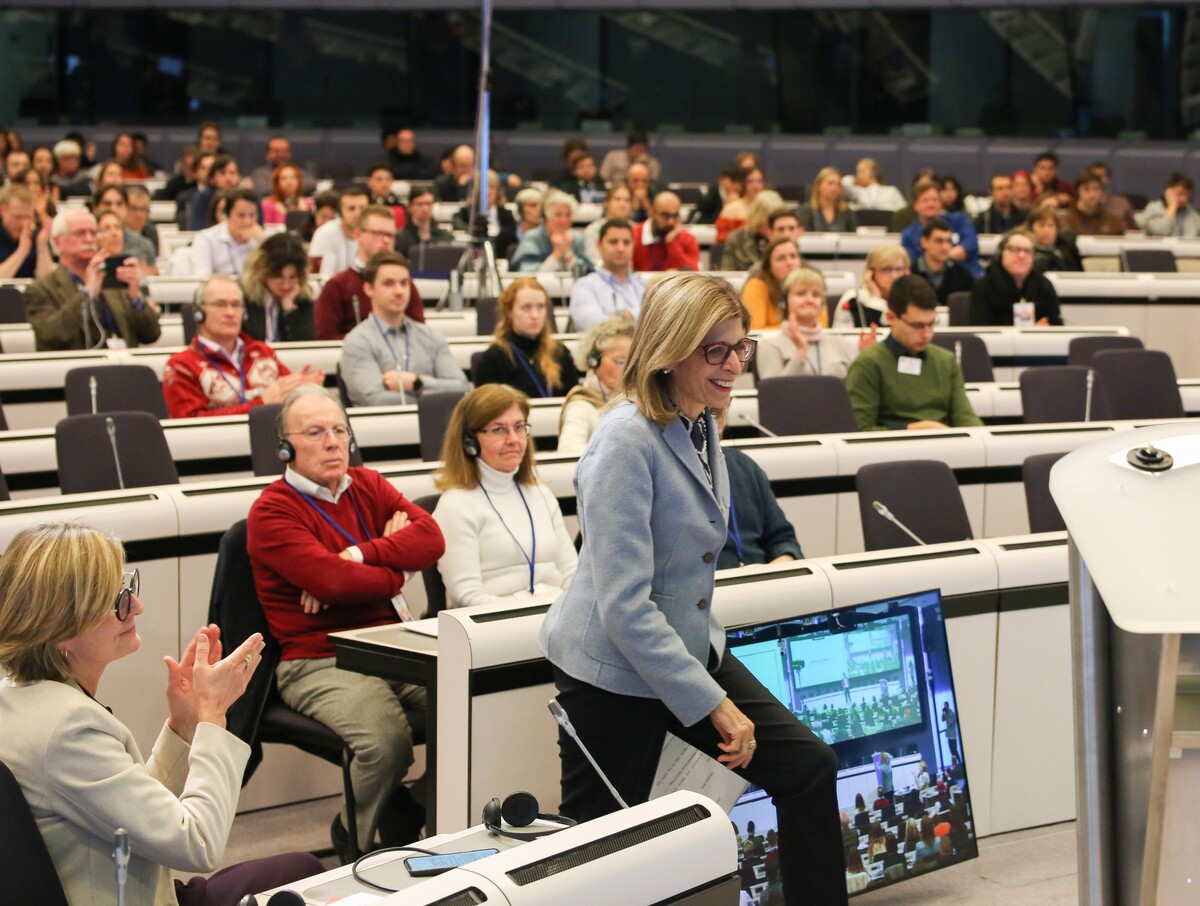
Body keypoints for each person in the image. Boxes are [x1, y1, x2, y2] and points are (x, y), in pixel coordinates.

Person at [539, 273, 847, 906]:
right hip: (611, 676)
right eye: (717, 351)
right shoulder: (623, 442)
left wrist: (708, 689)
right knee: (599, 857)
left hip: (686, 647)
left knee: (808, 769)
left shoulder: (702, 417)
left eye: (741, 347)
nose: (734, 364)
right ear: (670, 348)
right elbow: (623, 605)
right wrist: (713, 703)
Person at [0, 523, 324, 906]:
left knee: (300, 868)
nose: (135, 606)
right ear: (62, 628)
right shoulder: (69, 729)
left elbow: (126, 806)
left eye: (128, 588)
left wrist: (185, 723)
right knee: (306, 880)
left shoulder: (21, 699)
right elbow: (196, 843)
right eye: (118, 600)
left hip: (126, 879)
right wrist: (212, 717)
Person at [248, 386, 443, 858]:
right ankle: (352, 836)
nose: (334, 442)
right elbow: (334, 584)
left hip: (392, 642)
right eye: (316, 432)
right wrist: (395, 570)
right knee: (386, 741)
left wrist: (358, 555)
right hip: (318, 659)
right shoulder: (272, 512)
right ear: (285, 448)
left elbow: (432, 538)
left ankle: (411, 808)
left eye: (339, 430)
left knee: (473, 699)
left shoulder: (368, 485)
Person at [433, 385, 578, 609]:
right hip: (493, 629)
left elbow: (572, 574)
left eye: (519, 427)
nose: (513, 439)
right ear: (469, 441)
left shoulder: (540, 494)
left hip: (555, 619)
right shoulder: (455, 505)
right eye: (499, 429)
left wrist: (565, 613)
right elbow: (466, 595)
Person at [162, 275, 322, 418]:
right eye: (220, 305)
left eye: (236, 305)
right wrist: (262, 403)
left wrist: (304, 391)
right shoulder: (181, 365)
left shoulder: (262, 352)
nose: (230, 313)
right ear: (199, 312)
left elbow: (288, 402)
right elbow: (192, 426)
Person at [845, 275, 983, 431]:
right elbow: (860, 430)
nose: (927, 334)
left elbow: (967, 419)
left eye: (931, 324)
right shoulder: (868, 363)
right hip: (892, 453)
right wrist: (909, 430)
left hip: (945, 448)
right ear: (891, 318)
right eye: (917, 326)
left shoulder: (946, 360)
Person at [339, 251, 469, 406]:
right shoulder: (358, 341)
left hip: (434, 425)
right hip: (382, 428)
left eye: (404, 283)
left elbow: (461, 388)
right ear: (369, 289)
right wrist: (434, 397)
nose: (399, 291)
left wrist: (417, 383)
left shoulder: (431, 336)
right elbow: (374, 400)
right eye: (388, 283)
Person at [24, 209, 161, 351]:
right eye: (80, 233)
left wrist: (135, 298)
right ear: (58, 242)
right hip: (76, 368)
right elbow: (50, 336)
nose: (89, 239)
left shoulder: (115, 281)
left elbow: (152, 335)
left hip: (122, 366)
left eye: (93, 233)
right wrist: (87, 293)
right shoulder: (40, 289)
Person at [316, 204, 426, 339]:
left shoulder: (403, 283)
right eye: (378, 234)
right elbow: (326, 338)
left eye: (390, 235)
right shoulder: (337, 285)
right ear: (358, 235)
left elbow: (420, 334)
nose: (386, 240)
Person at [716, 410, 803, 569]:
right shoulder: (665, 476)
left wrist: (777, 569)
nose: (718, 421)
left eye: (719, 412)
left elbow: (782, 539)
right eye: (708, 411)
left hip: (762, 585)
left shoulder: (744, 466)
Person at [474, 277, 580, 398]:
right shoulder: (492, 360)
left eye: (540, 307)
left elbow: (575, 401)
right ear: (509, 312)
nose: (535, 315)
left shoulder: (560, 353)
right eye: (526, 308)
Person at [758, 268, 861, 379]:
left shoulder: (840, 343)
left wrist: (864, 357)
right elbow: (773, 393)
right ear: (784, 302)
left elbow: (855, 388)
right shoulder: (771, 346)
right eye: (801, 294)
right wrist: (800, 354)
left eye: (816, 295)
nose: (810, 300)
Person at [558, 317, 635, 455]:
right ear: (594, 361)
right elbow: (568, 451)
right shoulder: (581, 405)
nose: (628, 369)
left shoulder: (641, 401)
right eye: (620, 361)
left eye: (633, 362)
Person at [970, 228, 1063, 326]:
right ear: (1002, 253)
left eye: (1027, 251)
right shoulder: (984, 286)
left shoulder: (1044, 286)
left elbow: (1057, 326)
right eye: (1015, 250)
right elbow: (981, 330)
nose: (1022, 255)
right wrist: (1030, 332)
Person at [569, 218, 646, 330]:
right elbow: (593, 325)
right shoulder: (584, 286)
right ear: (599, 245)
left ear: (633, 245)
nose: (620, 248)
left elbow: (660, 321)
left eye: (626, 242)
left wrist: (623, 317)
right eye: (613, 242)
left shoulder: (644, 285)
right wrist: (636, 316)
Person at [239, 232, 316, 343]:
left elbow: (307, 344)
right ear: (262, 272)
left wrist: (289, 309)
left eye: (292, 277)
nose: (286, 285)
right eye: (278, 277)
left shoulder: (303, 299)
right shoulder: (244, 297)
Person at [900, 178, 981, 278]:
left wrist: (942, 255)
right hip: (927, 280)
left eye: (935, 200)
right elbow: (913, 261)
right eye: (925, 200)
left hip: (968, 277)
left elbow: (971, 244)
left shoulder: (959, 220)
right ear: (915, 206)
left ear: (941, 203)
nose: (931, 204)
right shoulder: (909, 234)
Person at [509, 190, 592, 274]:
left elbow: (589, 274)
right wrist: (556, 254)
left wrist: (568, 254)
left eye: (568, 215)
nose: (564, 220)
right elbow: (526, 274)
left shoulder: (576, 238)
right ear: (547, 216)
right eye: (558, 215)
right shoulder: (532, 238)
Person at [833, 242, 910, 329]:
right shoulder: (854, 299)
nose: (894, 276)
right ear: (871, 273)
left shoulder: (911, 299)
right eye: (887, 270)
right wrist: (875, 301)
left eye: (899, 269)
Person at [190, 187, 262, 277]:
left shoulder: (260, 239)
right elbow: (202, 278)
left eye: (252, 215)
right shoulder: (206, 239)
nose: (247, 222)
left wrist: (263, 242)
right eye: (241, 215)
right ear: (227, 215)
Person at [740, 236, 801, 330]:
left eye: (793, 256)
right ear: (769, 266)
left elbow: (821, 326)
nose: (789, 262)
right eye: (781, 258)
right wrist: (792, 329)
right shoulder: (756, 285)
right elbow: (754, 330)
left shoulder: (810, 285)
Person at [912, 218, 975, 305]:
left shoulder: (962, 273)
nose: (945, 247)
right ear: (924, 242)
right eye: (939, 241)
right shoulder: (911, 273)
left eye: (949, 241)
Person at [633, 191, 699, 272]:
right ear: (652, 212)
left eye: (675, 216)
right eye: (665, 215)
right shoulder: (634, 235)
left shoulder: (688, 239)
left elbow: (692, 276)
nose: (671, 222)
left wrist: (672, 244)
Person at [92, 183, 156, 266]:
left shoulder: (144, 245)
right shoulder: (86, 247)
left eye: (119, 204)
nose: (113, 209)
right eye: (107, 228)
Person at [311, 185, 369, 277]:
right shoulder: (324, 234)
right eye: (351, 208)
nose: (357, 213)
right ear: (340, 211)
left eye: (362, 208)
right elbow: (321, 277)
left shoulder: (373, 234)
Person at [720, 190, 784, 271]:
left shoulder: (785, 239)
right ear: (758, 217)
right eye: (767, 222)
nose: (771, 227)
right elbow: (727, 272)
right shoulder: (737, 239)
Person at [0, 183, 52, 280]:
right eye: (18, 217)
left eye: (28, 217)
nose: (23, 224)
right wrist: (22, 251)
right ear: (2, 210)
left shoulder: (35, 236)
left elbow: (48, 283)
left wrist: (42, 247)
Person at [1058, 170, 1124, 236]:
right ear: (1078, 191)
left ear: (1101, 191)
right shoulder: (1066, 220)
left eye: (1096, 189)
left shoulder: (1113, 221)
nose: (1092, 194)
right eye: (1086, 189)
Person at [248, 135, 316, 198]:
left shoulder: (298, 170)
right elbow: (261, 189)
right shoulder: (260, 173)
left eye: (284, 151)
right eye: (276, 151)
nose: (281, 155)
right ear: (268, 154)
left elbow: (311, 184)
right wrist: (290, 188)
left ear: (289, 153)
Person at [581, 181, 632, 264]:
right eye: (617, 199)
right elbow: (594, 262)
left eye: (627, 200)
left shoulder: (637, 229)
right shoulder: (592, 230)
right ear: (607, 202)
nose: (623, 204)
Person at [394, 187, 453, 259]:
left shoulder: (445, 237)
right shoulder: (399, 238)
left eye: (428, 204)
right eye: (420, 204)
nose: (425, 209)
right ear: (410, 207)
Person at [188, 154, 241, 231]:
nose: (228, 178)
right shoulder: (202, 197)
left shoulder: (247, 198)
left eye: (232, 173)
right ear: (211, 178)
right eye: (222, 173)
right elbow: (197, 227)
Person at [1139, 172, 1200, 238]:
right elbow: (1163, 231)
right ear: (1169, 191)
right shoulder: (1154, 208)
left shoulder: (1190, 212)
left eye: (1187, 195)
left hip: (1185, 248)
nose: (1184, 199)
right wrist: (1172, 206)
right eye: (1180, 193)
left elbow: (1194, 233)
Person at [799, 167, 857, 233]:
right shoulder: (806, 211)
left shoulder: (847, 212)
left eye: (838, 184)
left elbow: (853, 237)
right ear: (818, 186)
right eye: (830, 183)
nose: (834, 188)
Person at [1029, 205, 1083, 274]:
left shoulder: (1066, 250)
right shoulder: (1027, 252)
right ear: (1031, 228)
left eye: (1051, 226)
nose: (1046, 231)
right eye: (1041, 225)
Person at [841, 157, 906, 211]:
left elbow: (903, 211)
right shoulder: (857, 191)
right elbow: (844, 183)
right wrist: (854, 179)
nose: (857, 175)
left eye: (860, 171)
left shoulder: (891, 191)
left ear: (873, 173)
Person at [124, 184, 158, 255]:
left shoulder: (150, 232)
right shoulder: (116, 232)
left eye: (143, 209)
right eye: (133, 208)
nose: (139, 215)